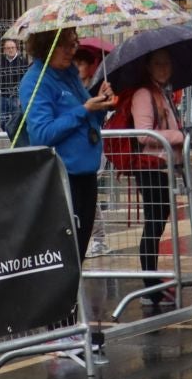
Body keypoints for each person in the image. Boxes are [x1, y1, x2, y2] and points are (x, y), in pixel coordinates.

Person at [16, 27, 117, 261]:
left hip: (86, 174)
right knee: (67, 253)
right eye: (67, 45)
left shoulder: (70, 75)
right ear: (47, 45)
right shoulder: (36, 81)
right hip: (64, 178)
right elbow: (42, 134)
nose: (73, 51)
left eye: (75, 44)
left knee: (79, 250)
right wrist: (84, 109)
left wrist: (100, 105)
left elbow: (89, 121)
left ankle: (73, 296)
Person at [119, 49, 185, 310]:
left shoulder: (162, 93)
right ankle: (150, 286)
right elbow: (144, 134)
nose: (164, 68)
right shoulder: (144, 94)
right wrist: (181, 136)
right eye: (158, 64)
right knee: (154, 224)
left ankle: (153, 282)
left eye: (167, 63)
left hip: (163, 166)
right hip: (151, 167)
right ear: (148, 67)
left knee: (157, 224)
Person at [0, 38, 26, 132]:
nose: (10, 50)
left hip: (17, 97)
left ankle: (16, 138)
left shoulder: (23, 62)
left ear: (16, 49)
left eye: (12, 47)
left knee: (17, 120)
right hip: (3, 96)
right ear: (4, 50)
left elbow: (26, 81)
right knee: (2, 121)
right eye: (8, 48)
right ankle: (7, 135)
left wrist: (24, 96)